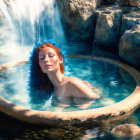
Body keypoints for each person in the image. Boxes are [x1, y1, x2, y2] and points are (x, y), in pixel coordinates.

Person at [29, 40, 100, 109]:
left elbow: (99, 101)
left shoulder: (72, 83)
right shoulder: (53, 89)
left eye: (50, 56)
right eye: (42, 58)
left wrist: (84, 105)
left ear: (60, 59)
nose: (46, 60)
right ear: (39, 66)